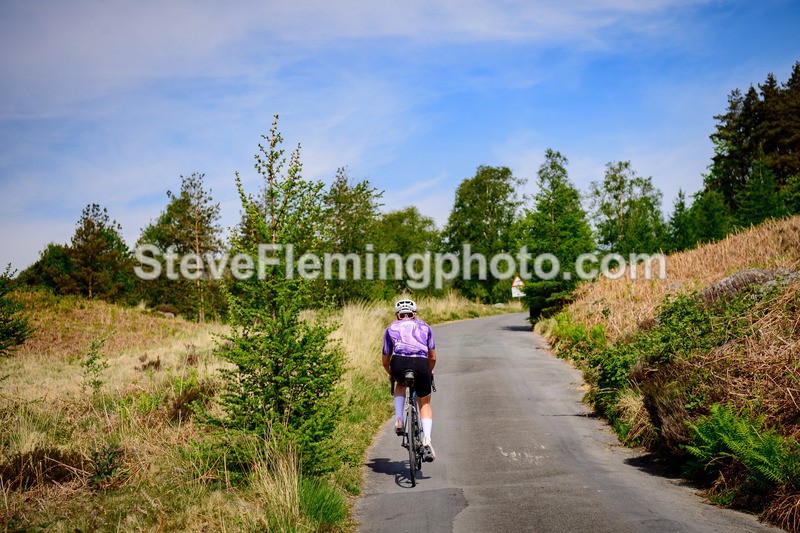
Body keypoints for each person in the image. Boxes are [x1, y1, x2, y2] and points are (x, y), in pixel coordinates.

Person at [382, 298, 437, 461]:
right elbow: (432, 356)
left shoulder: (390, 328)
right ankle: (427, 438)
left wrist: (390, 372)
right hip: (420, 363)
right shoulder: (425, 326)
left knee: (400, 383)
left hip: (398, 363)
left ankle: (399, 419)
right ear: (415, 313)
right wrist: (429, 371)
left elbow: (385, 359)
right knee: (425, 402)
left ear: (397, 315)